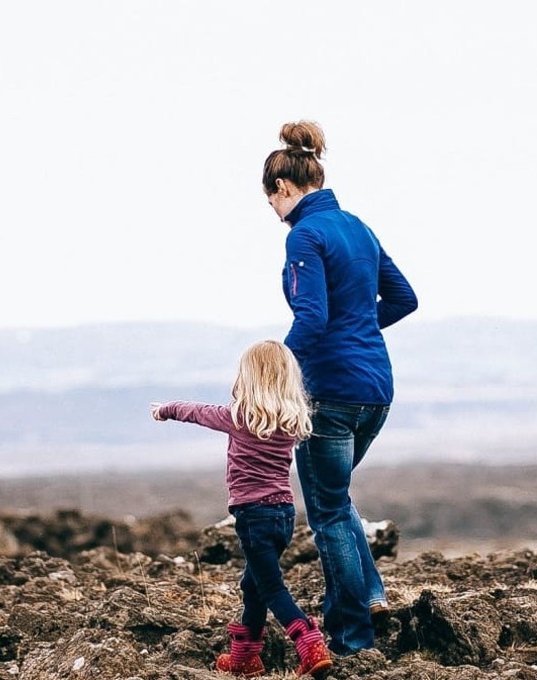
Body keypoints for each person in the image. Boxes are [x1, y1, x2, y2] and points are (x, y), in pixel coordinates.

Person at [262, 120, 417, 655]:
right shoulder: (357, 227)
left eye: (270, 203)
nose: (274, 216)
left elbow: (310, 318)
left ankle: (352, 638)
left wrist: (272, 370)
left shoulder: (305, 235)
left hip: (328, 394)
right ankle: (371, 593)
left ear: (281, 190)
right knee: (335, 497)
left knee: (326, 513)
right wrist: (360, 330)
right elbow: (403, 299)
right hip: (376, 390)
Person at [151, 340, 335, 677]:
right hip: (284, 514)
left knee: (271, 588)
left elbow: (196, 411)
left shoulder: (237, 417)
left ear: (248, 378)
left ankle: (309, 643)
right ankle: (244, 658)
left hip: (253, 516)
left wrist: (166, 409)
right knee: (253, 585)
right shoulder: (292, 419)